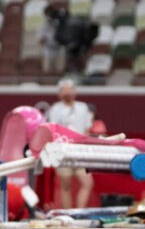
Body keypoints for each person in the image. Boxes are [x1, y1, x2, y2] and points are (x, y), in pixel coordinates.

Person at [46, 79, 94, 208]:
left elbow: (86, 130)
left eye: (69, 89)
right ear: (59, 93)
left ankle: (79, 212)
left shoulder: (83, 107)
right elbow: (53, 130)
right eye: (64, 89)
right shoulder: (55, 109)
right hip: (63, 151)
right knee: (65, 185)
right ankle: (68, 214)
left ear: (74, 91)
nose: (67, 92)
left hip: (80, 151)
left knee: (87, 183)